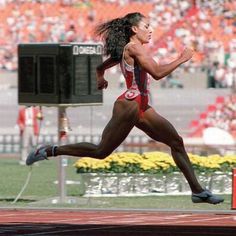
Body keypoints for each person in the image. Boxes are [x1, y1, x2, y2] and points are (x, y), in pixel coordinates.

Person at [26, 12, 223, 204]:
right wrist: (182, 58)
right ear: (134, 29)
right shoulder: (134, 48)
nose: (151, 30)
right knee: (101, 151)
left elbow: (100, 67)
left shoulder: (129, 49)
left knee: (176, 142)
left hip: (142, 106)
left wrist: (101, 76)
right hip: (129, 105)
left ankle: (197, 191)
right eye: (147, 27)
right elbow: (156, 73)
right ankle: (50, 150)